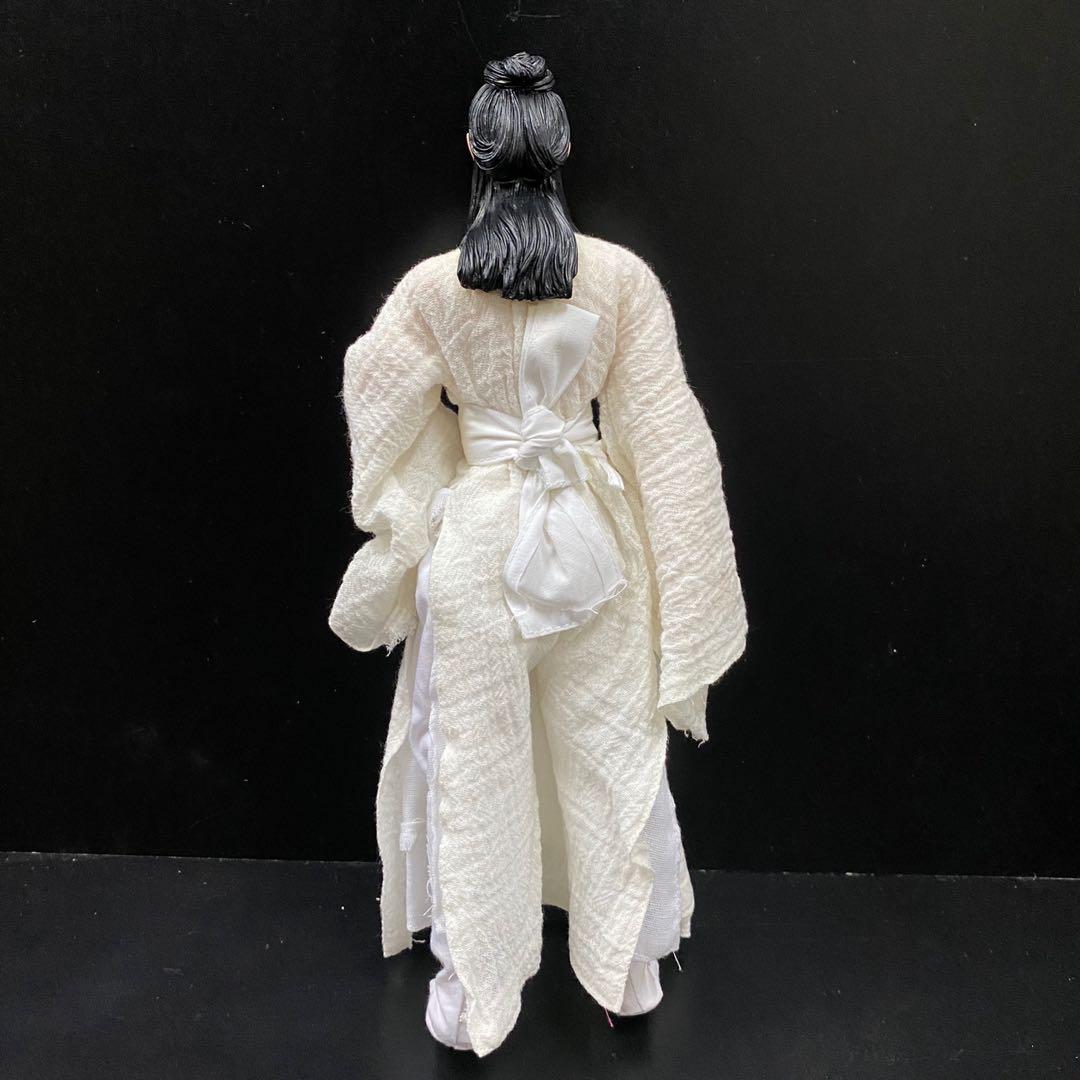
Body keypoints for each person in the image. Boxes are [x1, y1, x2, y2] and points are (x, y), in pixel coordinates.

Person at [329, 51, 747, 1057]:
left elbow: (374, 398)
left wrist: (418, 496)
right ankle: (629, 967)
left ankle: (472, 993)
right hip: (594, 542)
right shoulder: (621, 279)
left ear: (475, 151)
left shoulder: (434, 290)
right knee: (612, 756)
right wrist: (688, 584)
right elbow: (669, 441)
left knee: (478, 769)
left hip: (478, 544)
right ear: (563, 150)